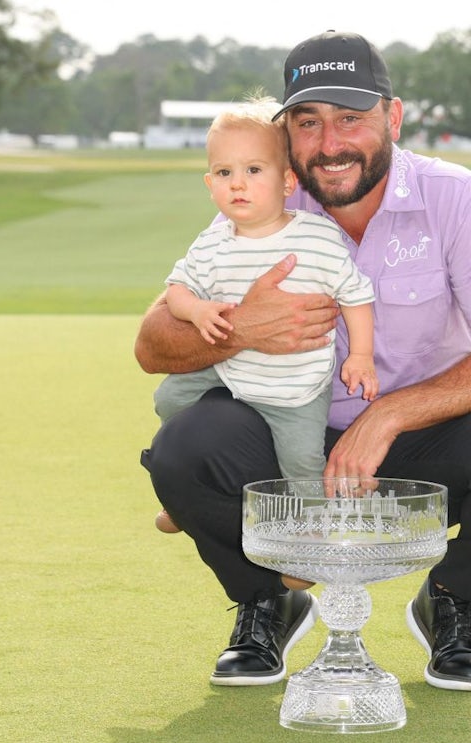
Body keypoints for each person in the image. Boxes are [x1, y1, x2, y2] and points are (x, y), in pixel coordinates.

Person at [136, 30, 471, 690]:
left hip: (419, 441)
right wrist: (240, 330)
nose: (330, 143)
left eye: (351, 119)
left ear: (392, 118)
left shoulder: (455, 196)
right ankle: (268, 600)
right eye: (308, 123)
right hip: (286, 432)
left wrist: (390, 415)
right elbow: (152, 347)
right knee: (183, 448)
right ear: (285, 133)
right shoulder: (264, 198)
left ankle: (451, 599)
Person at [151, 95, 378, 538]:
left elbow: (356, 293)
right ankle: (180, 496)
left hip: (297, 386)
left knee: (301, 461)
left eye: (254, 171)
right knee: (169, 399)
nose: (238, 184)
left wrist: (361, 356)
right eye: (224, 173)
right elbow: (176, 290)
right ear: (209, 183)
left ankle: (314, 530)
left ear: (287, 180)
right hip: (230, 370)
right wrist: (196, 310)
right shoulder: (213, 243)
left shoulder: (314, 236)